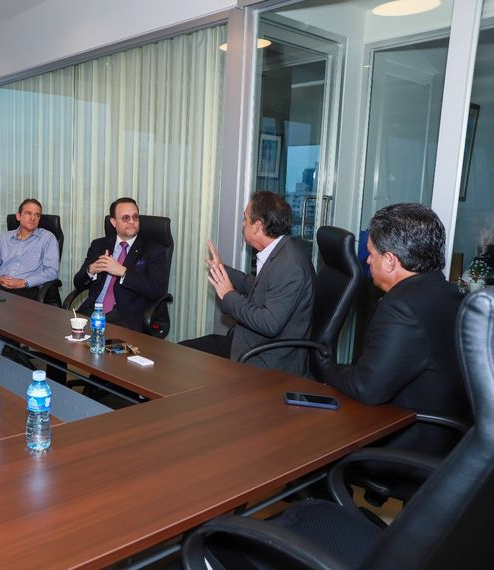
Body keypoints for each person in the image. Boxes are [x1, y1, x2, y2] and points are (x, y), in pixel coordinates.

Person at [313, 203, 470, 457]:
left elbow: (367, 388)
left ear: (390, 261)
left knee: (309, 440)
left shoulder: (401, 308)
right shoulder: (450, 293)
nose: (366, 260)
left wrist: (327, 369)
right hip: (451, 441)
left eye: (371, 254)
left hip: (408, 441)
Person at [180, 192, 315, 377]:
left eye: (245, 219)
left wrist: (229, 296)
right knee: (182, 353)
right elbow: (254, 285)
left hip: (266, 360)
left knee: (185, 361)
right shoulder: (280, 252)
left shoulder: (289, 265)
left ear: (258, 225)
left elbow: (269, 324)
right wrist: (221, 268)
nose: (242, 223)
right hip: (250, 344)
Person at [73, 197, 167, 332]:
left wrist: (123, 272)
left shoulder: (153, 250)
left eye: (135, 217)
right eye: (125, 218)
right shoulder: (99, 245)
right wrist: (91, 270)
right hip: (93, 311)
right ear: (113, 222)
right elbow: (78, 282)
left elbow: (157, 289)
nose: (132, 222)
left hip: (125, 316)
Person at [0, 198, 59, 300]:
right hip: (0, 285)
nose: (33, 218)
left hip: (27, 289)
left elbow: (52, 271)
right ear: (18, 216)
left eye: (37, 215)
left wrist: (23, 282)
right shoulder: (4, 238)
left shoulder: (47, 238)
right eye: (28, 213)